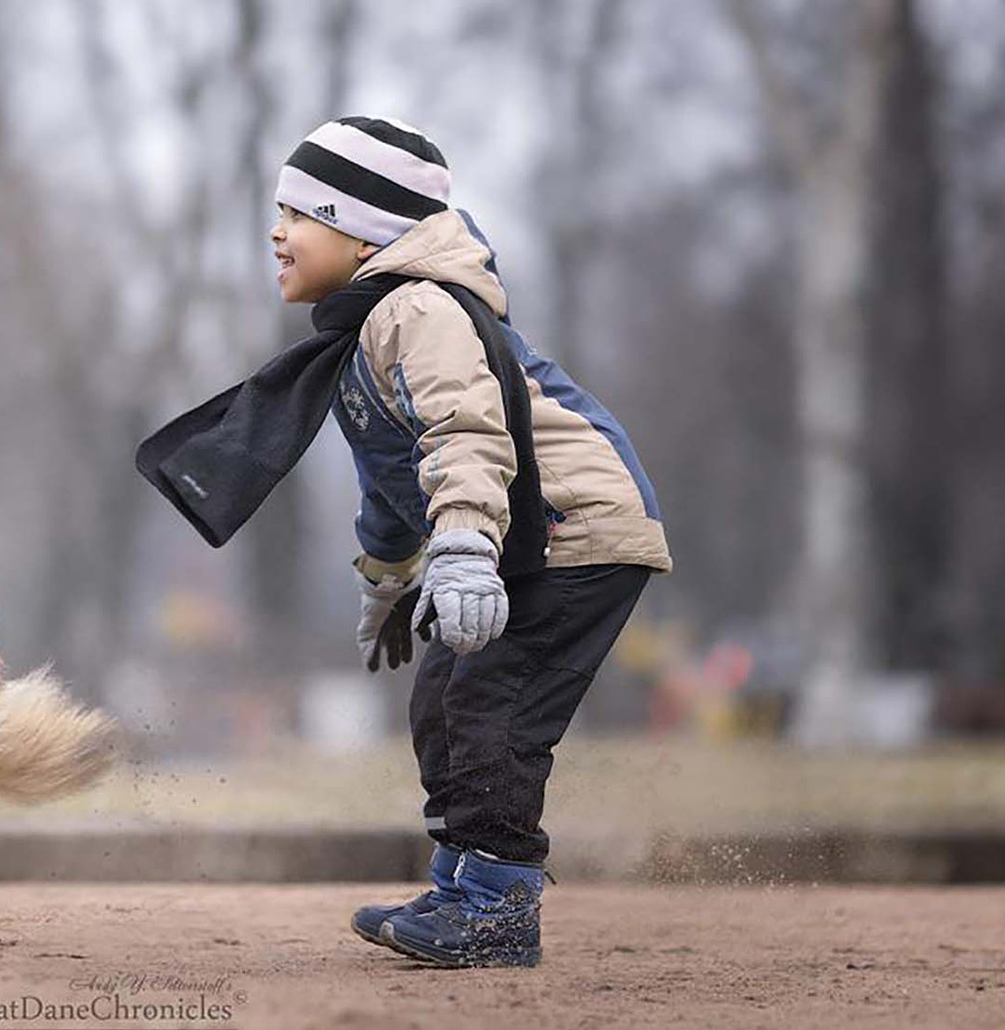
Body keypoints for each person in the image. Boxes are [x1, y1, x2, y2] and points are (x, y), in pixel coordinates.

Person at [140, 116, 670, 968]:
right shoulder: (363, 334)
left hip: (575, 531)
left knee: (489, 705)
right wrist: (388, 578)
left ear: (362, 232)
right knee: (442, 702)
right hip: (522, 531)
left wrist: (460, 548)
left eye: (298, 213)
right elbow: (392, 478)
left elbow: (466, 431)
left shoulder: (419, 307)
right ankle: (462, 887)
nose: (276, 232)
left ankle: (497, 909)